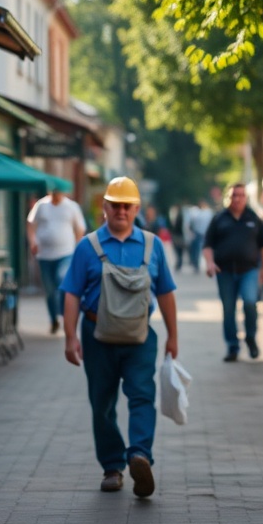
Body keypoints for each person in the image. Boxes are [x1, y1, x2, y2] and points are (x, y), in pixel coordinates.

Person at [60, 176, 179, 498]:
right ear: (105, 208)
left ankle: (139, 455)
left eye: (127, 206)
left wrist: (173, 337)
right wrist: (70, 337)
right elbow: (71, 293)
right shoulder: (88, 246)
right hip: (97, 336)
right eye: (115, 205)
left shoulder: (153, 245)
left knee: (142, 396)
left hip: (140, 337)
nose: (121, 211)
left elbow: (166, 293)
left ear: (137, 208)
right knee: (102, 403)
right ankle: (112, 467)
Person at [202, 183, 263, 361]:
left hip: (249, 270)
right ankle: (232, 346)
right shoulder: (219, 218)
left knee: (250, 303)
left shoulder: (254, 218)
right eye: (234, 195)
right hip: (224, 271)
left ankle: (250, 337)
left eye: (241, 195)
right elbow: (207, 244)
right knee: (229, 309)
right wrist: (209, 263)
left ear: (246, 198)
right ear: (229, 197)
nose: (237, 199)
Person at [27, 186, 86, 334]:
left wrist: (77, 248)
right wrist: (33, 242)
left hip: (65, 253)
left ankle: (63, 315)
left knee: (62, 281)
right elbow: (30, 224)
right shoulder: (41, 205)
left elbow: (80, 228)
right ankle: (53, 319)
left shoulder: (72, 207)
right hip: (44, 255)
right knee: (49, 290)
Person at [187, 199, 213, 271]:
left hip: (205, 233)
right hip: (198, 233)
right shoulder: (196, 212)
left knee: (204, 249)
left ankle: (203, 264)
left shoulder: (208, 213)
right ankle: (196, 264)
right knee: (197, 250)